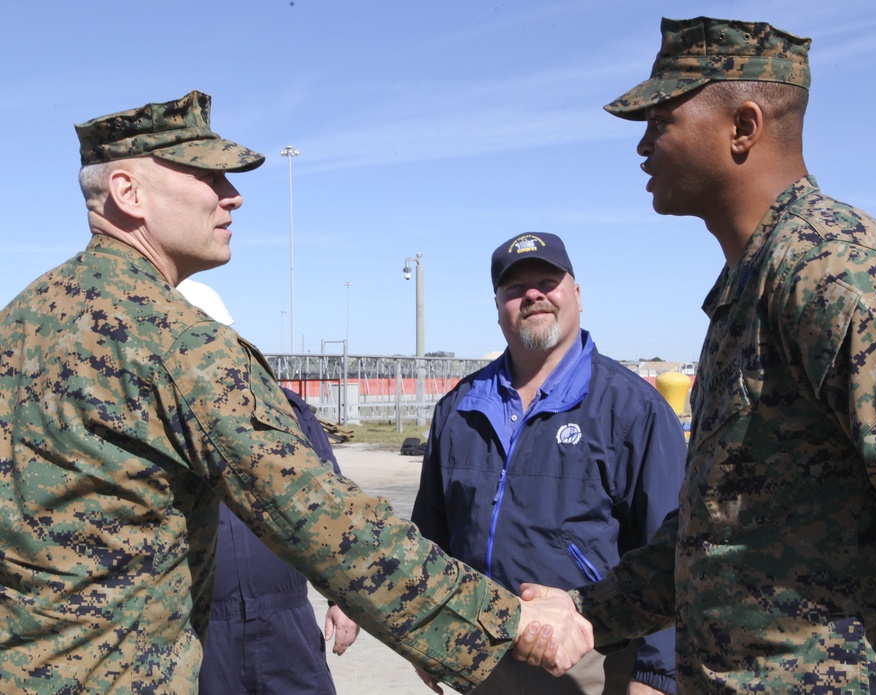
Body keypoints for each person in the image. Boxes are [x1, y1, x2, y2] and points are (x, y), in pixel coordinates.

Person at [0, 90, 592, 694]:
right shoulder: (175, 342)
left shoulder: (19, 323)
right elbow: (322, 520)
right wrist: (506, 621)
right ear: (129, 193)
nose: (232, 195)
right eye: (208, 175)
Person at [517, 16, 876, 693]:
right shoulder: (751, 286)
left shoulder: (834, 269)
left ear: (743, 127)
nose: (644, 145)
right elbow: (719, 527)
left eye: (661, 121)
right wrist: (588, 609)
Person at [412, 232, 686, 695]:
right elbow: (430, 536)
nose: (533, 294)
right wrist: (424, 632)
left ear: (576, 295)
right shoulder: (459, 409)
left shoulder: (632, 409)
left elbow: (676, 547)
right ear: (498, 304)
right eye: (515, 287)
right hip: (481, 654)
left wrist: (656, 677)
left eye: (547, 281)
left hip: (590, 658)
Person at [176, 278, 358, 695]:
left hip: (286, 620)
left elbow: (331, 510)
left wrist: (341, 597)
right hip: (198, 627)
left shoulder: (284, 413)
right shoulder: (151, 423)